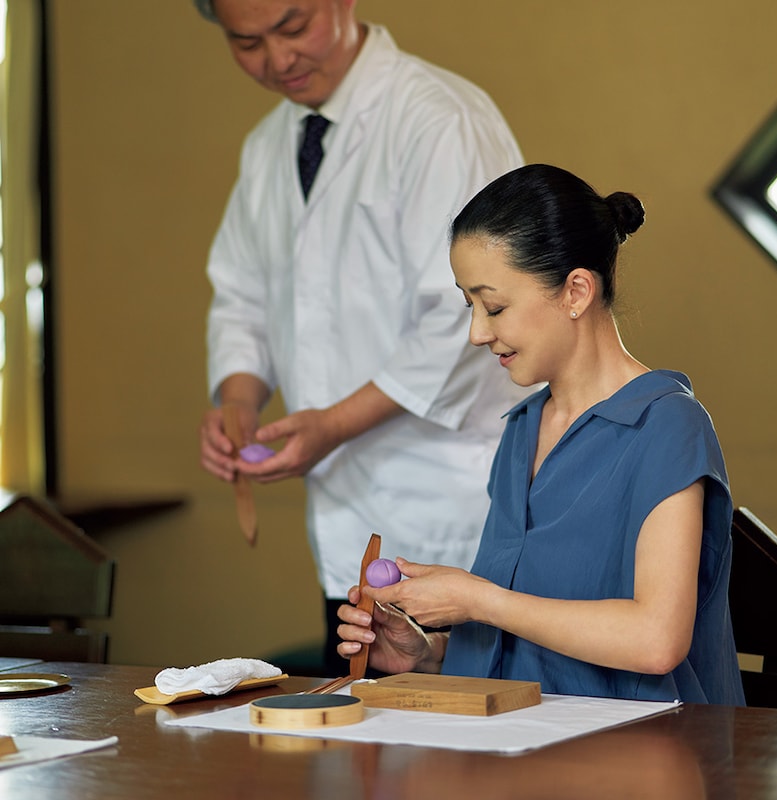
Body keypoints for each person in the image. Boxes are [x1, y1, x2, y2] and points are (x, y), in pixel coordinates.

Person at [193, 0, 527, 674]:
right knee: (362, 753)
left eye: (293, 28)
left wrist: (331, 426)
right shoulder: (268, 146)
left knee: (461, 758)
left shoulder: (439, 119)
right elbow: (244, 297)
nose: (278, 59)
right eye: (246, 42)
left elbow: (463, 316)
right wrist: (239, 400)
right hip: (348, 519)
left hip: (450, 506)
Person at [337, 164, 746, 704]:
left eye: (495, 306)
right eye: (470, 306)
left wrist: (479, 600)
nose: (478, 333)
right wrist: (429, 653)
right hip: (521, 745)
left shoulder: (667, 425)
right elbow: (530, 636)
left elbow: (656, 641)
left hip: (646, 758)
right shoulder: (522, 431)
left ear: (576, 290)